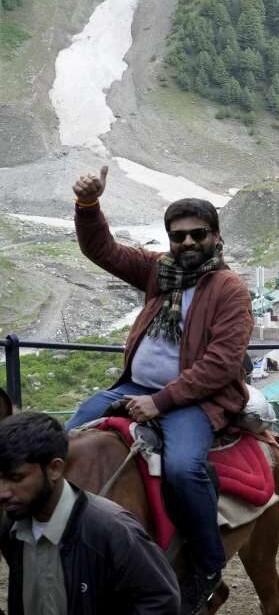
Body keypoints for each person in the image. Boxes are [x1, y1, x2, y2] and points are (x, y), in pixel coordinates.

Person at [66, 167, 251, 614]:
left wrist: (160, 401)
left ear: (217, 238)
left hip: (193, 400)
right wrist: (88, 207)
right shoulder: (159, 272)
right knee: (67, 439)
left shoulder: (231, 290)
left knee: (185, 469)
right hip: (135, 386)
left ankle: (207, 566)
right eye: (178, 236)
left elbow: (221, 365)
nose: (187, 243)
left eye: (197, 234)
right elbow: (102, 249)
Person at [0, 412, 180, 614]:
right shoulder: (11, 529)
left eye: (15, 478)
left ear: (54, 469)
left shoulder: (112, 530)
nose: (2, 492)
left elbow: (161, 601)